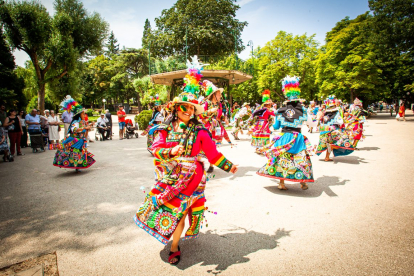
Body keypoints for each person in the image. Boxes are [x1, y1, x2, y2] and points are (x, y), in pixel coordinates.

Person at [134, 56, 238, 265]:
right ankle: (169, 234)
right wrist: (171, 151)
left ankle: (174, 246)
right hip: (170, 174)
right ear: (176, 108)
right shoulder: (164, 128)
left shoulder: (200, 130)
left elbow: (213, 155)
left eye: (192, 109)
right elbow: (156, 150)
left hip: (192, 176)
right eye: (186, 108)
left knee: (180, 210)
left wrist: (229, 166)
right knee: (166, 205)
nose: (189, 112)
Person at [257, 76, 313, 190]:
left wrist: (271, 128)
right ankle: (303, 182)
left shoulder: (280, 111)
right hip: (297, 137)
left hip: (284, 137)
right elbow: (311, 124)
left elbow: (276, 126)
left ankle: (281, 183)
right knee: (300, 158)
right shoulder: (303, 110)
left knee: (282, 159)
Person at [53, 95, 96, 171]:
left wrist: (89, 126)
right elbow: (74, 129)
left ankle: (78, 166)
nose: (84, 115)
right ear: (79, 115)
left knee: (79, 153)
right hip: (75, 140)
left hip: (81, 140)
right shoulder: (75, 122)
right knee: (74, 153)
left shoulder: (82, 122)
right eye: (83, 114)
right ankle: (75, 166)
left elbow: (84, 130)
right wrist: (84, 128)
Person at [316, 95, 354, 160]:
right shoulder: (337, 112)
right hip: (334, 129)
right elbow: (340, 121)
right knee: (339, 143)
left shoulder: (324, 112)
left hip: (324, 130)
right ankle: (331, 149)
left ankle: (327, 157)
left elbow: (319, 121)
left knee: (328, 143)